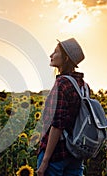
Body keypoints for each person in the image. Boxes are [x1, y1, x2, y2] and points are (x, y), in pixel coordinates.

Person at [36, 38, 87, 176]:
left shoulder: (62, 84)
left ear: (65, 58)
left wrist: (45, 161)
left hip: (56, 154)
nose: (51, 55)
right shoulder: (83, 86)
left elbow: (58, 124)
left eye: (55, 52)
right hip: (75, 153)